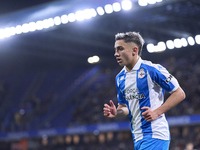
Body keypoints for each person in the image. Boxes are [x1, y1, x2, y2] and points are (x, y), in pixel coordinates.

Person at [103, 32, 186, 150]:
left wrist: (157, 112)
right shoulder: (120, 78)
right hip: (137, 138)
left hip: (155, 135)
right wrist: (117, 112)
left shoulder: (152, 69)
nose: (116, 53)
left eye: (120, 49)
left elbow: (179, 93)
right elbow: (124, 107)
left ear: (134, 50)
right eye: (115, 49)